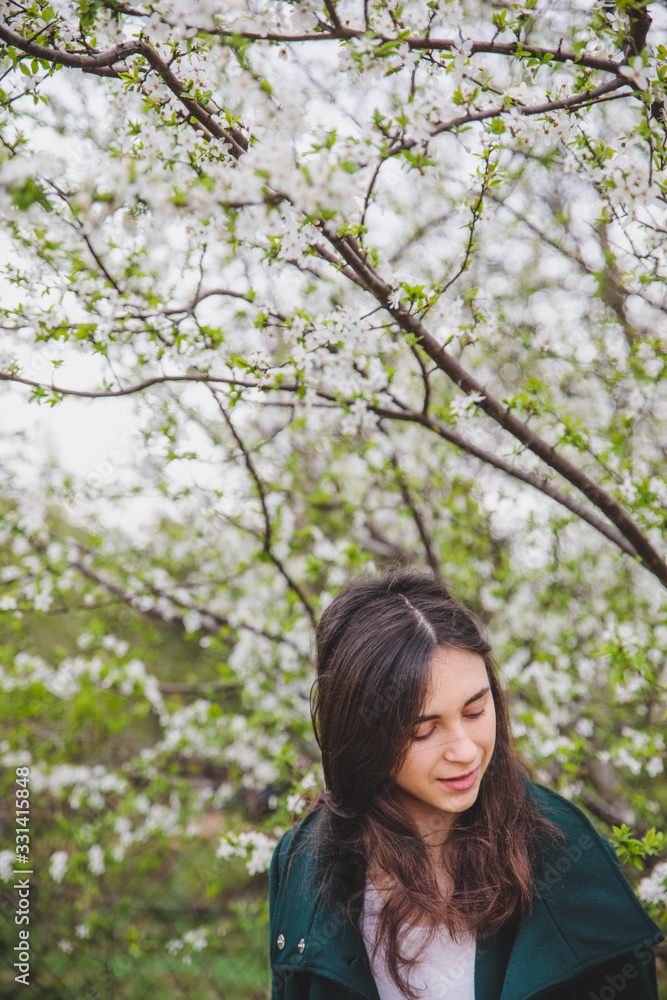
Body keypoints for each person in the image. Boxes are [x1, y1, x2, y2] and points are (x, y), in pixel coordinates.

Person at [269, 571, 664, 1000]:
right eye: (423, 730)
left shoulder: (569, 857)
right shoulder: (304, 863)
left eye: (475, 711)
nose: (465, 751)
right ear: (363, 735)